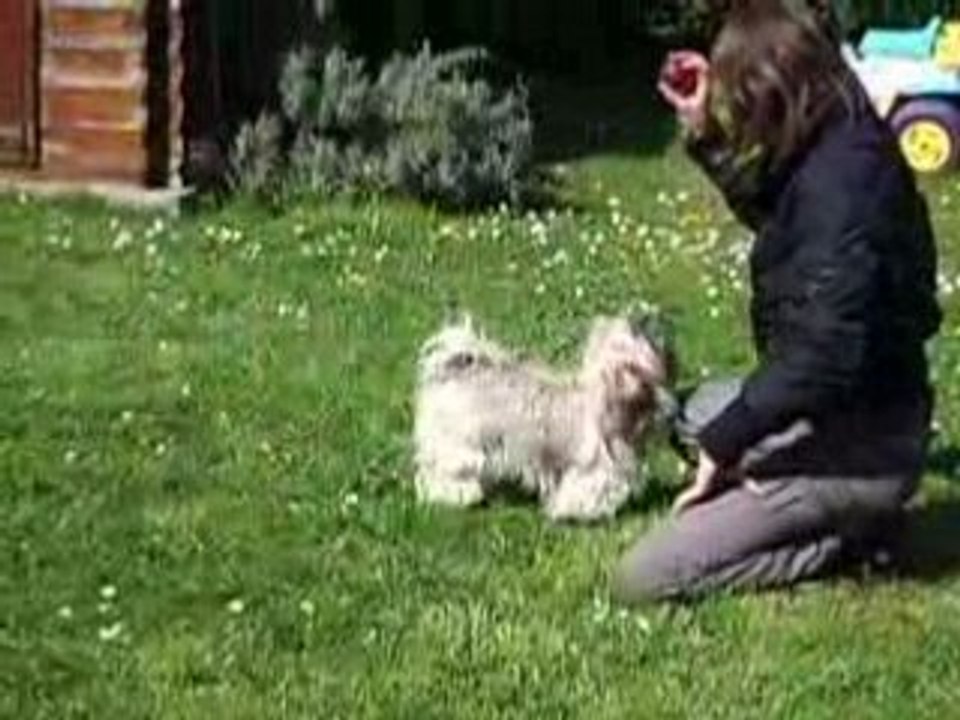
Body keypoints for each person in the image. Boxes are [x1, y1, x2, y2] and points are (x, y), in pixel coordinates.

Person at [613, 0, 942, 602]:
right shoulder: (837, 133)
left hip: (861, 451)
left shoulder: (848, 189)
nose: (735, 110)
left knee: (644, 576)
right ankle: (782, 476)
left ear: (778, 88)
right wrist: (704, 132)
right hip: (840, 409)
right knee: (688, 410)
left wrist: (723, 446)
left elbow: (820, 360)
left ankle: (846, 535)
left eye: (741, 97)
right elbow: (782, 218)